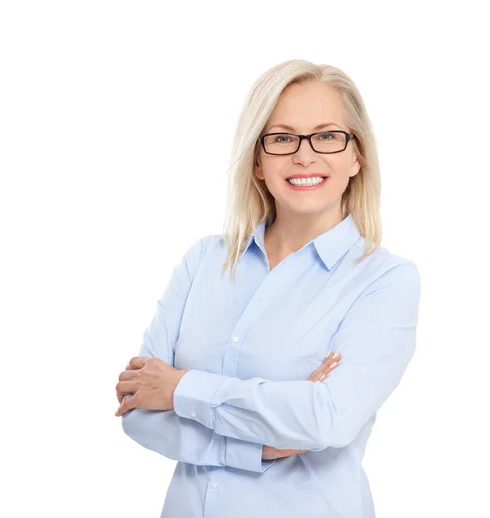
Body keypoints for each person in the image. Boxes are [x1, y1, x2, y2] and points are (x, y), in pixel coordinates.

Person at [113, 59, 421, 518]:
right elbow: (138, 410)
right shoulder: (204, 261)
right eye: (281, 138)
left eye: (328, 135)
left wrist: (180, 388)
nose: (304, 155)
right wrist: (262, 446)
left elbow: (326, 418)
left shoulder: (384, 280)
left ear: (357, 156)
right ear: (257, 160)